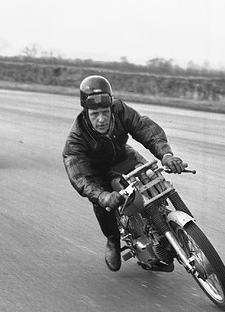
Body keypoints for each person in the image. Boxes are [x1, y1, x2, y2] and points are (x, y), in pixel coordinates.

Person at [63, 75, 187, 272]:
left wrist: (167, 155)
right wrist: (102, 196)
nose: (101, 119)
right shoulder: (76, 138)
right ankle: (112, 240)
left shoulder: (121, 111)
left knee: (152, 180)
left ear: (111, 107)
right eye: (95, 114)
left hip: (123, 157)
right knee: (102, 205)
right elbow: (79, 175)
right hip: (97, 172)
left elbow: (145, 128)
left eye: (105, 112)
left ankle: (161, 228)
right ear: (86, 112)